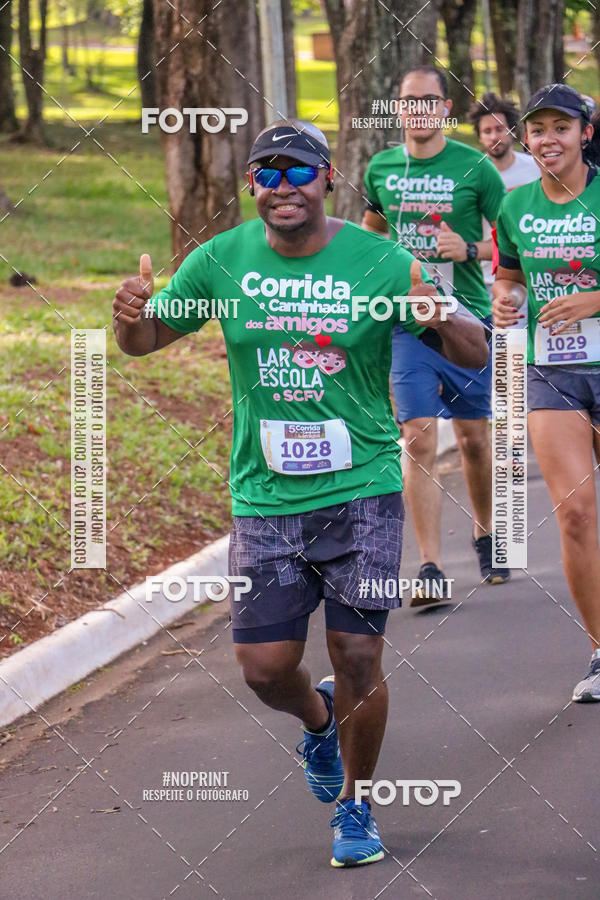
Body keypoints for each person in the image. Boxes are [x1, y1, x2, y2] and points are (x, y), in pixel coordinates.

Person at [113, 119, 489, 865]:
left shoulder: (380, 261)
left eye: (299, 171)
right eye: (269, 173)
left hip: (366, 489)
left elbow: (474, 352)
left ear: (325, 180)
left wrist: (438, 311)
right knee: (265, 668)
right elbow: (144, 341)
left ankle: (356, 806)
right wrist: (127, 316)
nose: (284, 186)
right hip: (266, 496)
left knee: (358, 653)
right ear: (252, 186)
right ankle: (317, 724)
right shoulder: (223, 260)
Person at [362, 65, 509, 605]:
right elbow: (369, 237)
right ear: (398, 107)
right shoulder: (380, 168)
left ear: (445, 108)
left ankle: (488, 531)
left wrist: (467, 250)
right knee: (419, 438)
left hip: (466, 321)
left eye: (428, 100)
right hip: (406, 326)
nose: (417, 110)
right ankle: (427, 566)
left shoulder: (476, 168)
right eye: (407, 101)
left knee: (473, 440)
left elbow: (513, 244)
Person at [492, 83, 600, 702]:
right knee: (577, 513)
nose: (548, 139)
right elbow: (509, 276)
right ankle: (599, 648)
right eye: (537, 130)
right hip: (551, 370)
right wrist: (507, 302)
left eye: (561, 127)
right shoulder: (516, 206)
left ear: (585, 133)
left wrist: (593, 299)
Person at [469, 92, 540, 297]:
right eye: (487, 131)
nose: (494, 137)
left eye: (500, 129)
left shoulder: (536, 167)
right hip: (485, 280)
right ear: (480, 137)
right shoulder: (472, 176)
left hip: (531, 277)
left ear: (511, 130)